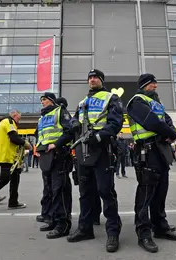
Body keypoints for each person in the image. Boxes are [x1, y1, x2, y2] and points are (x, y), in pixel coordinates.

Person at [67, 69, 122, 253]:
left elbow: (115, 123)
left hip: (102, 150)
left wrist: (98, 137)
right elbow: (75, 119)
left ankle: (113, 233)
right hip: (83, 152)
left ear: (101, 80)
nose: (92, 80)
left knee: (105, 191)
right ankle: (85, 229)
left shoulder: (110, 98)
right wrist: (73, 123)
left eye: (95, 77)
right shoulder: (83, 102)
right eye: (90, 78)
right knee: (85, 192)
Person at [127, 73, 176, 253]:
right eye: (152, 84)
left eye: (156, 83)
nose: (155, 86)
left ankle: (160, 226)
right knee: (146, 192)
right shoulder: (136, 101)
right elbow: (151, 122)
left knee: (161, 191)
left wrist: (171, 132)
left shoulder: (157, 103)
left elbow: (167, 121)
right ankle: (143, 232)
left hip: (161, 150)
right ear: (143, 85)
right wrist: (171, 134)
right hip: (147, 150)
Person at [35, 93, 74, 239]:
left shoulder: (60, 111)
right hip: (46, 156)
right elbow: (41, 135)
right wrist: (38, 149)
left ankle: (62, 224)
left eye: (44, 99)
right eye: (41, 100)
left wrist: (56, 144)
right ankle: (53, 219)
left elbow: (70, 131)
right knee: (50, 189)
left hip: (59, 155)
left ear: (51, 100)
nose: (42, 102)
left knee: (60, 189)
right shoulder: (42, 118)